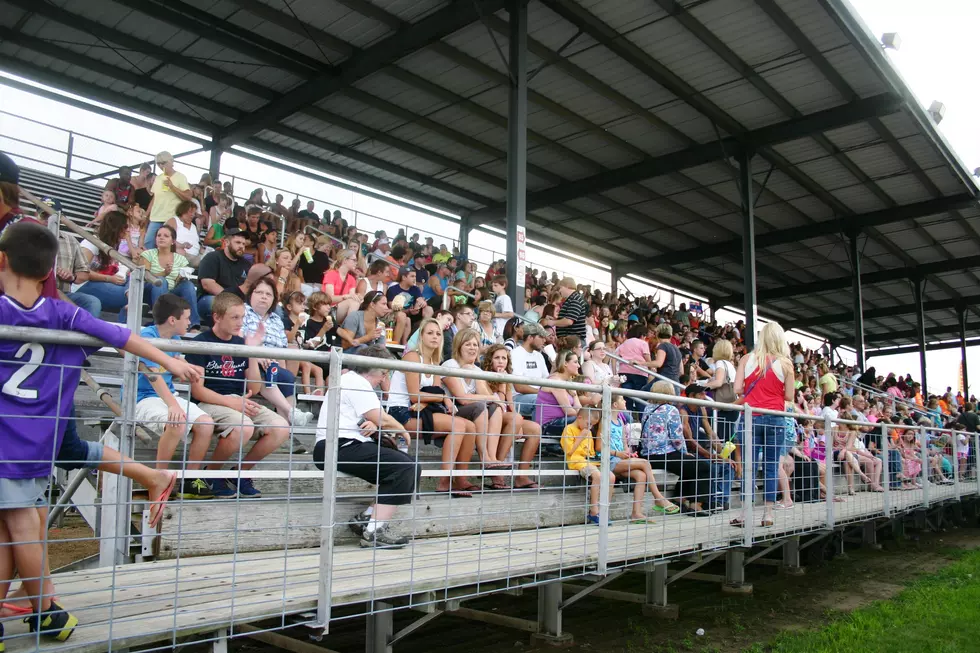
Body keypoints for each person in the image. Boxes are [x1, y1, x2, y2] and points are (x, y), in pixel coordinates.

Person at [0, 222, 200, 644]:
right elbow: (124, 336)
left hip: (8, 439)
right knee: (15, 529)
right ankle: (42, 611)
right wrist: (172, 363)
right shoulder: (63, 312)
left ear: (1, 260)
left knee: (16, 530)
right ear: (48, 271)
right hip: (36, 438)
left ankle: (46, 612)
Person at [184, 292, 291, 498]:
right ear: (217, 317)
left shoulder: (241, 343)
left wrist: (251, 351)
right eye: (234, 317)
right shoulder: (200, 342)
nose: (240, 323)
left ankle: (240, 473)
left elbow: (255, 387)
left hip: (239, 401)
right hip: (209, 401)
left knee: (281, 427)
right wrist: (232, 403)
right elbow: (197, 391)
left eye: (242, 317)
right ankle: (211, 475)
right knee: (244, 426)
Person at [313, 344, 419, 548]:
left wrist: (373, 423)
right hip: (338, 446)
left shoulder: (351, 381)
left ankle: (366, 519)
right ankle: (374, 532)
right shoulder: (356, 381)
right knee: (406, 467)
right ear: (374, 369)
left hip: (341, 444)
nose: (383, 379)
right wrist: (402, 430)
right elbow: (382, 418)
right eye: (383, 373)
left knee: (409, 465)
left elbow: (367, 417)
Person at [135, 294, 216, 499]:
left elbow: (177, 360)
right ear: (173, 320)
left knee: (206, 424)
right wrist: (173, 405)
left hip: (167, 394)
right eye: (187, 318)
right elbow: (154, 376)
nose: (190, 322)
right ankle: (159, 478)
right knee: (176, 421)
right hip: (143, 397)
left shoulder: (175, 338)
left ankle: (191, 478)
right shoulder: (147, 337)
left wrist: (191, 368)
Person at [388, 318, 480, 496]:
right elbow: (415, 395)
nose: (435, 337)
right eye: (429, 333)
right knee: (459, 425)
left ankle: (460, 479)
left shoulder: (434, 362)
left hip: (421, 410)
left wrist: (430, 399)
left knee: (471, 427)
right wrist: (442, 397)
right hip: (400, 413)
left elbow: (431, 393)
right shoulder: (412, 356)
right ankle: (445, 481)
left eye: (438, 333)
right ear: (421, 336)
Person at [732, 322, 795, 528]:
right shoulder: (786, 363)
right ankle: (768, 513)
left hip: (750, 417)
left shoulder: (746, 359)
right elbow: (789, 396)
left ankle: (744, 513)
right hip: (775, 417)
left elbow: (738, 388)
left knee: (748, 466)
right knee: (770, 467)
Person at [241, 277, 315, 428]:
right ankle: (291, 413)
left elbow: (281, 349)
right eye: (259, 292)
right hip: (248, 359)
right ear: (251, 295)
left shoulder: (276, 319)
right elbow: (238, 337)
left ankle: (285, 429)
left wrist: (278, 368)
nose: (263, 296)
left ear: (274, 299)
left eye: (268, 294)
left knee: (285, 375)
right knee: (269, 371)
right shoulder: (242, 311)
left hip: (272, 362)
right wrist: (257, 355)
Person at [639, 381, 712, 516]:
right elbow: (677, 438)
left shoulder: (648, 408)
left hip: (648, 454)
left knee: (690, 466)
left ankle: (680, 499)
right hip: (664, 453)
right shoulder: (671, 410)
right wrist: (685, 453)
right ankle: (696, 504)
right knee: (702, 466)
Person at [442, 329, 506, 476]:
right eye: (468, 344)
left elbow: (487, 396)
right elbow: (462, 398)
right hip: (453, 409)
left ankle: (492, 457)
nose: (472, 348)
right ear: (459, 346)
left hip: (472, 409)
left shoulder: (476, 369)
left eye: (475, 344)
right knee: (481, 405)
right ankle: (484, 457)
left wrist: (476, 376)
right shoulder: (450, 364)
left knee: (495, 408)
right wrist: (492, 398)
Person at [482, 344, 542, 489]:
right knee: (515, 419)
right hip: (488, 414)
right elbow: (496, 401)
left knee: (535, 429)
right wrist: (502, 384)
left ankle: (521, 476)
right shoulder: (482, 375)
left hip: (505, 415)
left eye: (504, 358)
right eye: (497, 358)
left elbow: (509, 403)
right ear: (490, 360)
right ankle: (497, 472)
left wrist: (519, 422)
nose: (501, 361)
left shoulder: (507, 377)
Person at [135, 224, 201, 329]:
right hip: (150, 290)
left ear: (173, 241)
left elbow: (180, 277)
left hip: (171, 291)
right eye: (159, 235)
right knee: (161, 281)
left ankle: (193, 326)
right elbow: (145, 276)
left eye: (166, 236)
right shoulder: (148, 254)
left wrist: (182, 277)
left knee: (188, 285)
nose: (161, 237)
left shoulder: (181, 259)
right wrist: (164, 274)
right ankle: (161, 322)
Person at [561, 408, 613, 525]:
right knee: (598, 476)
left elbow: (590, 452)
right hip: (577, 461)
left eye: (592, 425)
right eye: (588, 423)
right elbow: (569, 452)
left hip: (590, 461)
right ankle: (594, 511)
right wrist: (580, 438)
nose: (589, 427)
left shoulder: (588, 432)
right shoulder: (569, 429)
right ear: (579, 418)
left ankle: (604, 509)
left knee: (611, 476)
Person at [196, 228, 252, 319]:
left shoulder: (246, 264)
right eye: (237, 242)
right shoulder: (212, 257)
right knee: (220, 304)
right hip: (212, 298)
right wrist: (230, 300)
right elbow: (208, 284)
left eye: (243, 244)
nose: (241, 246)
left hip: (238, 303)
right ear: (226, 242)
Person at [145, 151, 192, 249]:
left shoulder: (180, 177)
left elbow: (188, 197)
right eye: (158, 163)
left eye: (163, 162)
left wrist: (172, 187)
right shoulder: (158, 178)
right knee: (148, 243)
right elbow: (154, 198)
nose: (161, 165)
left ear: (171, 161)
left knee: (167, 246)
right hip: (155, 217)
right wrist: (146, 214)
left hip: (171, 218)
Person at [510, 322, 550, 418]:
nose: (544, 340)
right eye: (541, 337)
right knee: (539, 401)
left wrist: (555, 366)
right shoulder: (515, 354)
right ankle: (538, 432)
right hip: (517, 398)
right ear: (530, 338)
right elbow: (519, 387)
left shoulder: (539, 355)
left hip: (536, 396)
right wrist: (542, 393)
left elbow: (548, 381)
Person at [321, 248, 360, 324]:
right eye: (354, 260)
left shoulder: (352, 279)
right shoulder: (331, 274)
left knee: (356, 302)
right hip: (328, 309)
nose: (356, 263)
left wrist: (358, 297)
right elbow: (329, 299)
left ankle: (348, 328)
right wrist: (345, 296)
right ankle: (348, 329)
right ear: (345, 260)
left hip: (340, 310)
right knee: (354, 302)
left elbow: (352, 296)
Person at [165, 200, 202, 267]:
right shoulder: (174, 221)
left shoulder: (193, 226)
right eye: (191, 212)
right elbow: (166, 240)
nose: (193, 215)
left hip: (196, 256)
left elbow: (196, 242)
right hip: (181, 253)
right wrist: (182, 245)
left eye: (194, 213)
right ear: (183, 210)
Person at [554, 277, 587, 341]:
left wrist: (550, 322)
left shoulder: (575, 299)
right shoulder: (572, 299)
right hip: (569, 341)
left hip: (573, 342)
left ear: (567, 286)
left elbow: (568, 321)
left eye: (561, 287)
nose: (559, 290)